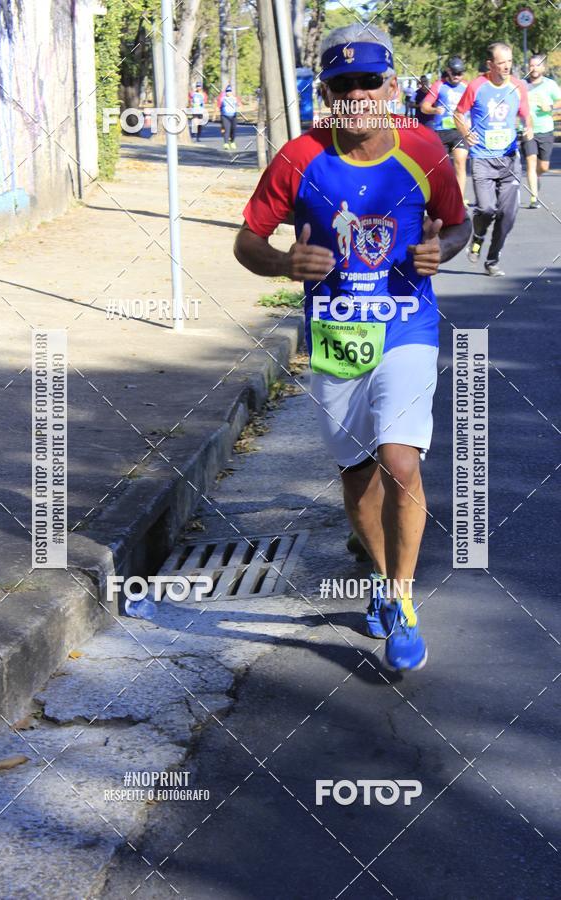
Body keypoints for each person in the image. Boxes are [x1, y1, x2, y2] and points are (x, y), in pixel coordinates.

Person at [234, 24, 470, 672]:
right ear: (327, 92)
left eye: (370, 80)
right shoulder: (298, 159)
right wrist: (285, 263)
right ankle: (373, 564)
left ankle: (401, 597)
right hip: (336, 336)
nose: (359, 94)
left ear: (391, 84)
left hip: (406, 328)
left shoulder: (424, 150)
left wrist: (439, 250)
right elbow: (246, 241)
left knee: (400, 461)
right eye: (343, 84)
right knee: (357, 474)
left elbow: (459, 224)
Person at [454, 41, 533, 276]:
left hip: (509, 159)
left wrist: (528, 128)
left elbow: (526, 115)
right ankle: (478, 237)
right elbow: (459, 113)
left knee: (508, 214)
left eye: (509, 62)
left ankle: (492, 259)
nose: (506, 67)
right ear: (490, 64)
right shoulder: (477, 86)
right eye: (501, 63)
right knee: (487, 209)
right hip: (482, 159)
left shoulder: (518, 86)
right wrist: (465, 131)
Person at [421, 56, 469, 203]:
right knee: (441, 169)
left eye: (460, 73)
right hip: (441, 132)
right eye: (454, 73)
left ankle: (459, 201)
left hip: (459, 131)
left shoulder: (467, 87)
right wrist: (435, 110)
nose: (457, 76)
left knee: (460, 163)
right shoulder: (439, 85)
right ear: (448, 71)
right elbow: (424, 107)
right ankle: (440, 198)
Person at [522, 53, 561, 208]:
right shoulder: (522, 85)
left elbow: (559, 102)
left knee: (543, 166)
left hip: (546, 129)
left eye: (537, 65)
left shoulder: (550, 85)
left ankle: (536, 177)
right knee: (531, 162)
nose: (534, 68)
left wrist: (549, 107)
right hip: (528, 129)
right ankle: (534, 197)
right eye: (531, 65)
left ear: (543, 67)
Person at [217, 85, 240, 150]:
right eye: (227, 91)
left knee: (233, 130)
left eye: (229, 91)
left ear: (232, 92)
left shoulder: (235, 98)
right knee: (227, 129)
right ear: (225, 92)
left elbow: (240, 105)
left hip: (233, 116)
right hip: (225, 116)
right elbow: (218, 106)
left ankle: (232, 142)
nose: (228, 92)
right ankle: (226, 143)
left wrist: (239, 108)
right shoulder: (223, 98)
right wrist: (215, 115)